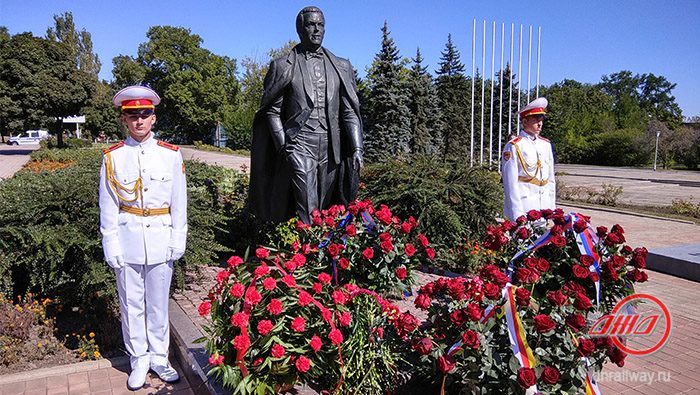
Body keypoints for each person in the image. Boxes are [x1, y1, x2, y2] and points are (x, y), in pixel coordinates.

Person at [99, 85, 187, 390]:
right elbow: (108, 205)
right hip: (127, 239)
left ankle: (160, 359)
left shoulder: (170, 155)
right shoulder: (113, 157)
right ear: (124, 120)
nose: (139, 120)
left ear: (154, 118)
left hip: (162, 238)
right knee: (131, 304)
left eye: (145, 114)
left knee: (158, 304)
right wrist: (110, 242)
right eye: (132, 115)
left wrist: (179, 238)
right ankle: (138, 360)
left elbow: (179, 202)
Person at [249, 6, 364, 224]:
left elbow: (350, 112)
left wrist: (357, 148)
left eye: (320, 25)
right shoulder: (283, 66)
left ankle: (320, 252)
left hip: (332, 148)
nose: (316, 30)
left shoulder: (341, 66)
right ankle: (308, 254)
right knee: (307, 203)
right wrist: (284, 146)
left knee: (326, 206)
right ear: (300, 29)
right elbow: (271, 112)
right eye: (311, 24)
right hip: (299, 144)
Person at [501, 97, 556, 221]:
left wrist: (551, 209)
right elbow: (510, 183)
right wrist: (517, 214)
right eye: (536, 119)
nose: (540, 123)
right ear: (525, 122)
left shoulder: (545, 145)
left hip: (544, 207)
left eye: (541, 119)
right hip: (525, 207)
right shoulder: (514, 145)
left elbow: (550, 179)